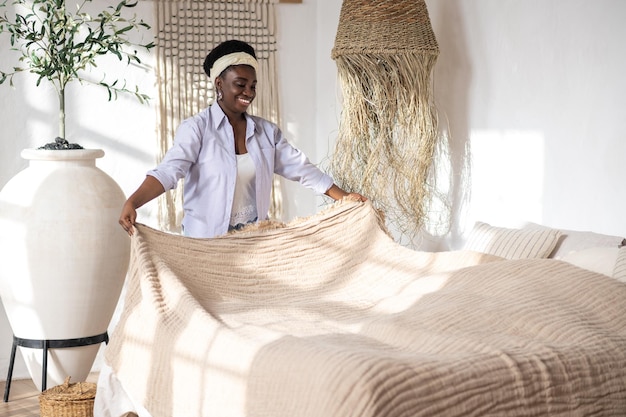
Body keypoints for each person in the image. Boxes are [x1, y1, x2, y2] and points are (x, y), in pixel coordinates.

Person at [119, 39, 365, 238]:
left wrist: (344, 197)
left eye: (253, 85)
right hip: (206, 245)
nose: (249, 92)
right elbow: (168, 172)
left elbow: (302, 169)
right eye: (240, 84)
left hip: (253, 241)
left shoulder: (267, 133)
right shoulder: (196, 129)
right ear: (219, 83)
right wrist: (133, 202)